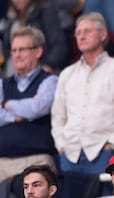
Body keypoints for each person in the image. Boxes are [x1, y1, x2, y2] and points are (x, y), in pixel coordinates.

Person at [51, 11, 114, 196]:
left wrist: (112, 144)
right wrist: (61, 145)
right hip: (69, 154)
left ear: (103, 34)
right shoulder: (67, 73)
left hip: (104, 153)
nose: (81, 36)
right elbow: (58, 116)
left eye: (87, 31)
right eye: (78, 32)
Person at [0, 26, 57, 182]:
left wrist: (5, 104)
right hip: (2, 163)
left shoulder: (50, 81)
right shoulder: (2, 84)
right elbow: (31, 108)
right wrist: (17, 115)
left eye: (22, 49)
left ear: (38, 52)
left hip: (36, 161)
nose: (17, 55)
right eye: (14, 50)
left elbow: (38, 108)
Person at [1, 0, 69, 77]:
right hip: (12, 74)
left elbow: (59, 44)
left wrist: (49, 65)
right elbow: (7, 51)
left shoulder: (45, 11)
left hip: (39, 73)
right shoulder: (11, 18)